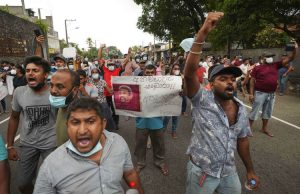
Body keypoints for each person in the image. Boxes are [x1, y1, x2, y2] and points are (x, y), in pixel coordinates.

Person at [184, 12, 260, 194]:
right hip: (202, 173)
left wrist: (250, 170)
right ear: (211, 83)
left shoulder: (241, 110)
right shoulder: (201, 99)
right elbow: (189, 74)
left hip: (228, 172)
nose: (230, 82)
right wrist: (203, 32)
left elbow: (242, 141)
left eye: (233, 79)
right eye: (223, 78)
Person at [33, 97, 144, 194]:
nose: (82, 131)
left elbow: (129, 175)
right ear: (67, 126)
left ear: (103, 124)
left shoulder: (118, 142)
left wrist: (135, 188)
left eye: (90, 121)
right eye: (75, 122)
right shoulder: (51, 166)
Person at [6, 56, 57, 194]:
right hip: (28, 143)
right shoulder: (19, 92)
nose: (30, 73)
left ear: (45, 74)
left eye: (35, 70)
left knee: (56, 182)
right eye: (28, 70)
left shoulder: (55, 92)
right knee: (23, 184)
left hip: (52, 144)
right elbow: (14, 118)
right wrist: (10, 146)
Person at [248, 47, 298, 137]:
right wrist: (251, 94)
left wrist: (295, 49)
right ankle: (248, 128)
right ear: (263, 58)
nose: (271, 57)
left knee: (267, 112)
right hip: (260, 93)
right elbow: (252, 81)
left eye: (271, 56)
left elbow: (291, 58)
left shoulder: (275, 65)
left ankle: (264, 128)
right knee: (255, 111)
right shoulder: (257, 68)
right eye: (268, 56)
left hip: (271, 93)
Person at [134, 62, 169, 176]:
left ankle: (160, 162)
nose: (149, 75)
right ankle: (140, 163)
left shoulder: (161, 86)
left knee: (159, 144)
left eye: (151, 73)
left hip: (157, 122)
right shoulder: (137, 86)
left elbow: (169, 97)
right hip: (141, 121)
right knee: (140, 144)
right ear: (144, 74)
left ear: (155, 74)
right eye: (147, 73)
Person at [49, 69, 80, 146]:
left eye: (60, 87)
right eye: (51, 85)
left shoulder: (83, 114)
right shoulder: (62, 106)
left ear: (75, 90)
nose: (53, 91)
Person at [163, 63, 182, 139]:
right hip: (169, 100)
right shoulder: (167, 77)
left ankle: (173, 131)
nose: (176, 70)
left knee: (175, 117)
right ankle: (163, 129)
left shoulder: (181, 77)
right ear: (172, 69)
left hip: (177, 100)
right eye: (175, 69)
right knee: (167, 116)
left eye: (178, 69)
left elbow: (184, 90)